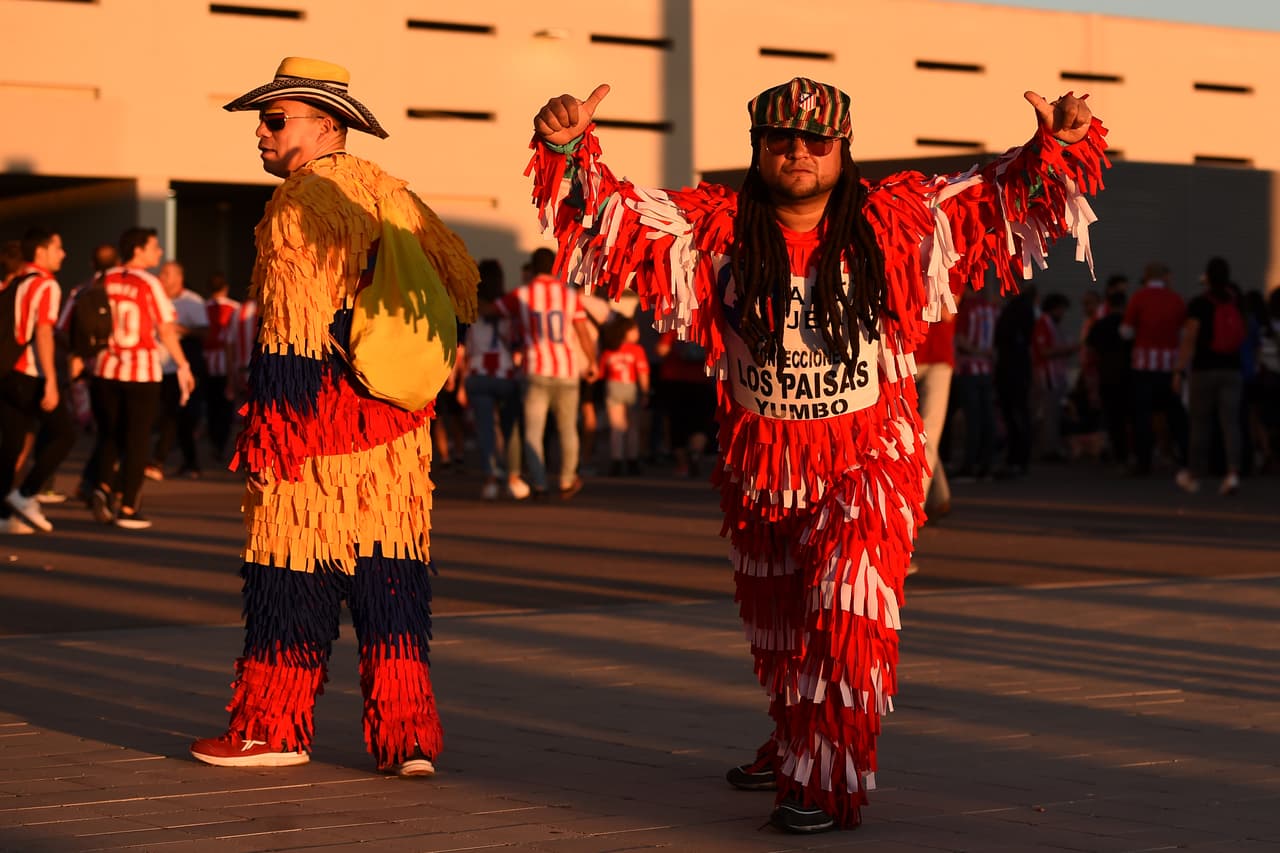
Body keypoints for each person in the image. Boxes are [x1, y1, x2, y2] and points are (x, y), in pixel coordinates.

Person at [529, 77, 1107, 833]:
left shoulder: (893, 218)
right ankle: (793, 737)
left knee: (847, 610)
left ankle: (825, 781)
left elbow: (995, 199)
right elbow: (617, 226)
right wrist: (568, 150)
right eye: (780, 140)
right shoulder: (715, 228)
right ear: (758, 149)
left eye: (816, 141)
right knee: (781, 630)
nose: (798, 152)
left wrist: (1056, 148)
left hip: (871, 455)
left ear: (843, 149)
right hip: (760, 465)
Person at [189, 57, 477, 776]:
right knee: (391, 587)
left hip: (317, 435)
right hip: (397, 436)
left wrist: (272, 434)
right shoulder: (392, 192)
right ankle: (408, 738)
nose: (260, 131)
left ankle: (272, 729)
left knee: (290, 576)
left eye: (275, 118)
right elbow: (461, 290)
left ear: (325, 126)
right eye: (263, 118)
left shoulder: (300, 205)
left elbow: (290, 335)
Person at [88, 227, 194, 530]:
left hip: (105, 368)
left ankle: (104, 485)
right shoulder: (149, 283)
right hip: (141, 370)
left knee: (109, 433)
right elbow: (165, 328)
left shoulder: (103, 279)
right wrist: (183, 365)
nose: (158, 253)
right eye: (154, 247)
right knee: (137, 440)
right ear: (138, 249)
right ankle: (129, 506)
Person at [494, 247, 596, 499]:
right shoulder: (569, 295)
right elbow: (582, 332)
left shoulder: (522, 295)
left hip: (535, 368)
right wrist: (592, 362)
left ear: (533, 267)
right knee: (568, 429)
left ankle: (539, 482)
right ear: (554, 267)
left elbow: (493, 312)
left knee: (533, 431)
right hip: (566, 369)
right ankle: (566, 480)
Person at [0, 228, 77, 534]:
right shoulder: (46, 284)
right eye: (58, 248)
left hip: (6, 372)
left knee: (12, 443)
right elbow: (43, 332)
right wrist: (51, 382)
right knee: (64, 434)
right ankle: (26, 493)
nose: (63, 254)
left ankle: (4, 516)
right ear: (41, 251)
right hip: (29, 372)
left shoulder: (15, 282)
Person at [1174, 257, 1245, 495]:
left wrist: (1180, 369)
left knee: (1200, 423)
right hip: (1232, 368)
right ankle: (1233, 473)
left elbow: (1190, 339)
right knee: (1230, 423)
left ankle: (1195, 474)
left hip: (1204, 369)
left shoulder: (1199, 304)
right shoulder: (1238, 300)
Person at [464, 259, 529, 500]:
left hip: (478, 373)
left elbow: (468, 346)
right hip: (505, 373)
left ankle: (490, 478)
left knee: (485, 430)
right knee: (510, 429)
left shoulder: (471, 309)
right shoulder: (507, 308)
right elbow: (516, 341)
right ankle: (513, 477)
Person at [1121, 262, 1187, 475]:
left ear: (1146, 276)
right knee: (1175, 415)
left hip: (1143, 365)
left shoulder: (1138, 298)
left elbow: (1127, 332)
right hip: (1170, 366)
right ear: (1165, 276)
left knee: (1142, 416)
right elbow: (1184, 333)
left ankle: (1144, 462)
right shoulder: (1175, 299)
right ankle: (1184, 457)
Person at [148, 260, 207, 480]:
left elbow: (204, 332)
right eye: (161, 274)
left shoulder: (192, 301)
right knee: (162, 415)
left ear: (179, 277)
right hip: (155, 364)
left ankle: (159, 461)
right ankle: (186, 462)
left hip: (179, 367)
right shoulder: (156, 298)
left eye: (167, 274)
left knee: (175, 415)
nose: (162, 278)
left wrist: (176, 329)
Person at [951, 284, 999, 481]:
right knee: (988, 417)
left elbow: (961, 340)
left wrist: (975, 352)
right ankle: (987, 463)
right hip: (987, 369)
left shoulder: (966, 309)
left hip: (968, 368)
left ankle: (970, 463)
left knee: (973, 419)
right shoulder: (990, 308)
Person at [1086, 288, 1133, 466]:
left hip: (1106, 374)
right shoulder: (1129, 325)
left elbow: (1090, 350)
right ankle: (1132, 452)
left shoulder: (1099, 325)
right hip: (1128, 374)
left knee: (1113, 417)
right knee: (1132, 415)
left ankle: (1118, 453)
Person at [598, 315, 650, 475]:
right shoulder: (637, 350)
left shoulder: (608, 350)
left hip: (613, 387)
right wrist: (645, 392)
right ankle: (632, 460)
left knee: (616, 427)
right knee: (632, 427)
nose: (638, 333)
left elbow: (601, 373)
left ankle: (617, 460)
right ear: (626, 331)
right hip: (631, 388)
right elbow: (642, 373)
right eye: (635, 330)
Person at [1031, 292, 1077, 460]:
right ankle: (1049, 448)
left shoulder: (1051, 324)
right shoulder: (1044, 324)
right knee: (1049, 413)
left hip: (1055, 374)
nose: (1062, 314)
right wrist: (1067, 349)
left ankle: (1051, 446)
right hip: (1047, 375)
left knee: (1053, 412)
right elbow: (1044, 351)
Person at [202, 273, 240, 461]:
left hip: (207, 360)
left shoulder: (203, 307)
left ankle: (214, 440)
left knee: (211, 404)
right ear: (225, 288)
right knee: (225, 404)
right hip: (226, 361)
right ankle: (221, 442)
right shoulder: (235, 308)